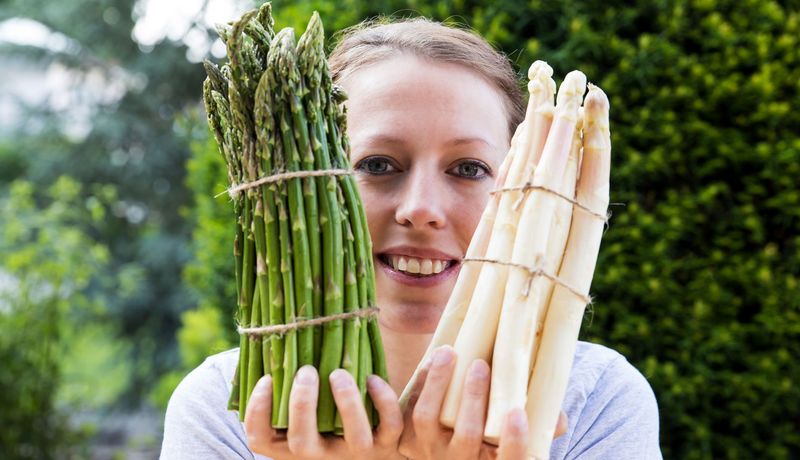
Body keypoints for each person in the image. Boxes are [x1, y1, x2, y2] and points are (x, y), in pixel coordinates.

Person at [161, 18, 662, 460]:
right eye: (378, 165)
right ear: (307, 181)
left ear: (522, 187)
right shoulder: (225, 410)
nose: (420, 208)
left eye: (468, 168)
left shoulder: (594, 399)